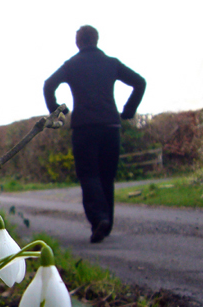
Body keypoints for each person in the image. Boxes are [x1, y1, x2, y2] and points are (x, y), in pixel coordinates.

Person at [44, 25, 146, 243]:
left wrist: (58, 110)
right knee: (106, 176)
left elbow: (48, 85)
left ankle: (99, 219)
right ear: (97, 40)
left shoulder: (71, 65)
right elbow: (140, 82)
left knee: (89, 175)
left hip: (84, 127)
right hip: (111, 126)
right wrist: (128, 110)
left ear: (78, 43)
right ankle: (106, 222)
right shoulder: (111, 63)